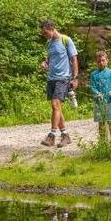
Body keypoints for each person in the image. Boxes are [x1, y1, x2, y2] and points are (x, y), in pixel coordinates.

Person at [39, 20, 79, 148]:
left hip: (63, 78)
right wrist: (45, 63)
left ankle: (51, 135)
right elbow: (50, 59)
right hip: (51, 78)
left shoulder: (66, 40)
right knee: (57, 108)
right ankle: (65, 135)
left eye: (45, 32)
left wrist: (75, 78)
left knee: (55, 104)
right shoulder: (49, 43)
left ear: (52, 28)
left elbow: (74, 59)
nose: (44, 35)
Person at [89, 50, 111, 144]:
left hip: (109, 101)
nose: (101, 63)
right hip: (98, 102)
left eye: (103, 60)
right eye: (98, 61)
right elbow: (92, 87)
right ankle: (102, 142)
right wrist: (97, 93)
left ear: (107, 60)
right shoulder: (93, 74)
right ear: (96, 62)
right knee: (101, 122)